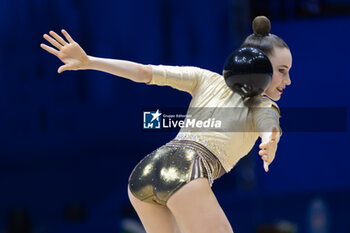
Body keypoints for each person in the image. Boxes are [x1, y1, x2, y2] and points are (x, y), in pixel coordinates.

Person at [41, 15, 292, 233]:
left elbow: (143, 72)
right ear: (259, 66)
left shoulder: (205, 78)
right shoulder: (262, 104)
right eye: (282, 70)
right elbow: (269, 124)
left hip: (146, 171)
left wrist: (90, 62)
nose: (288, 80)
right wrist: (271, 141)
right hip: (187, 167)